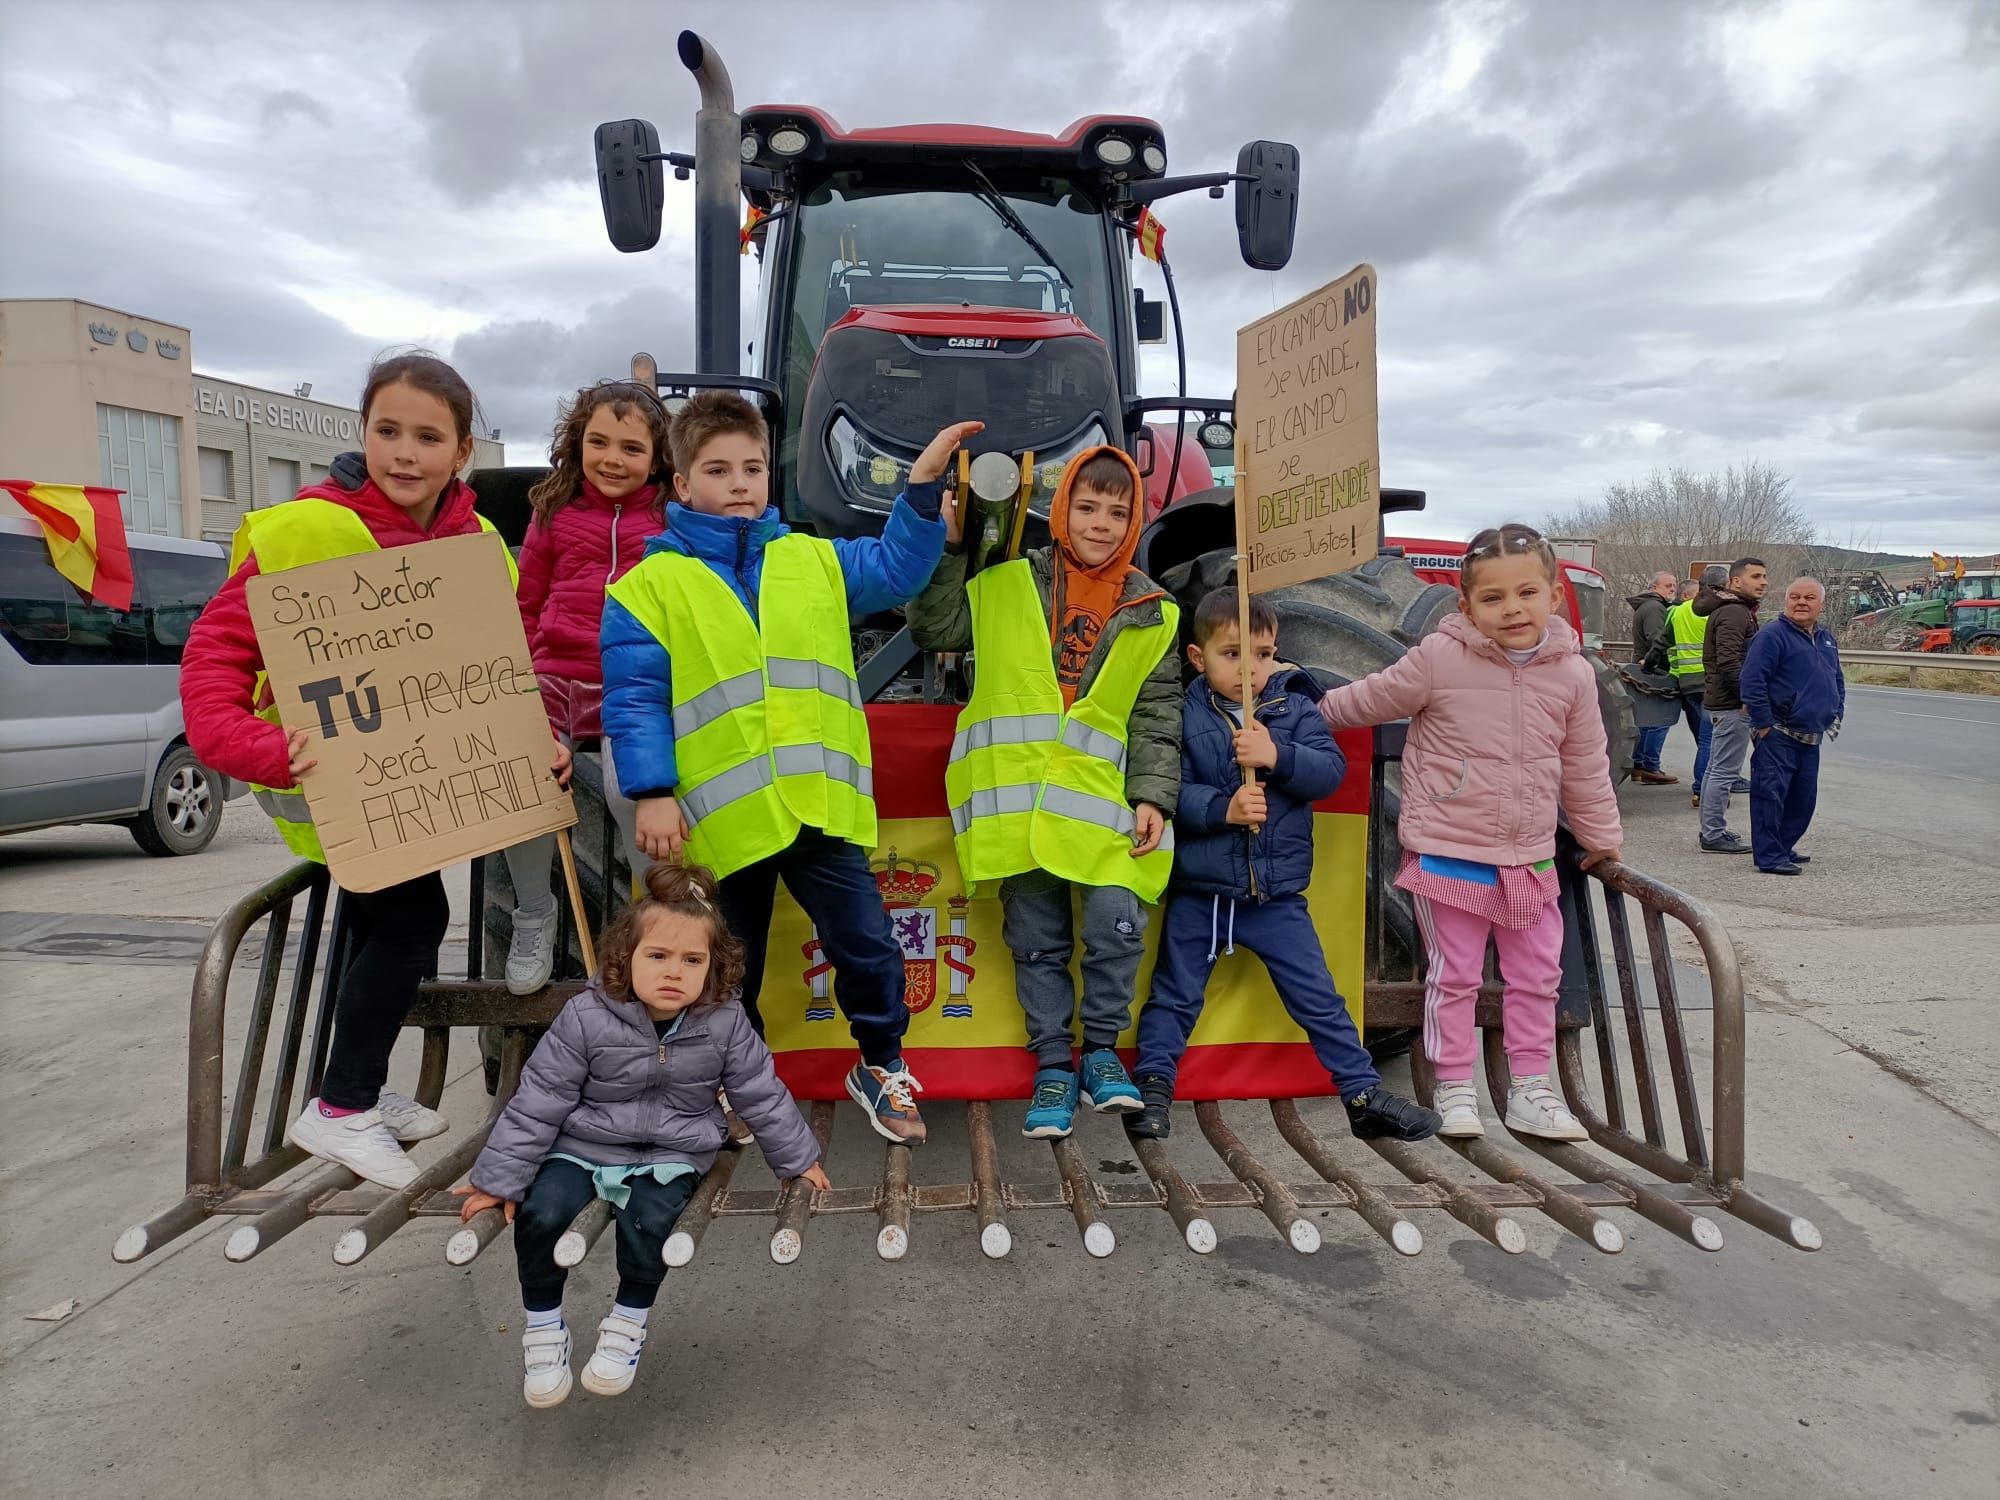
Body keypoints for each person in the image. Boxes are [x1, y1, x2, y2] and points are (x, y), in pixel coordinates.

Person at [180, 352, 569, 1188]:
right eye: (387, 430)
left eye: (428, 437)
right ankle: (344, 1105)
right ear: (363, 431)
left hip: (417, 793)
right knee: (409, 924)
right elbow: (214, 661)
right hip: (336, 789)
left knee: (371, 931)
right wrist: (259, 749)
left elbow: (501, 674)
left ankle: (351, 1086)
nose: (404, 453)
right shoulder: (304, 532)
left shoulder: (476, 548)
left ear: (463, 450)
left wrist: (536, 740)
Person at [601, 391, 978, 1145]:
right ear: (681, 485)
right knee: (720, 967)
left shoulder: (815, 560)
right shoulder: (645, 590)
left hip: (817, 809)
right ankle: (735, 1082)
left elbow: (899, 568)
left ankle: (879, 1065)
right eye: (717, 469)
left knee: (869, 947)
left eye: (752, 467)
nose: (739, 482)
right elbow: (636, 698)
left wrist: (922, 489)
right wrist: (650, 792)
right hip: (721, 819)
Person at [455, 863, 829, 1407]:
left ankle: (628, 1321)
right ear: (623, 959)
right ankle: (542, 1326)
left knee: (651, 1221)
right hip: (583, 1146)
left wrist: (797, 1159)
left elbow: (760, 1093)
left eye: (692, 960)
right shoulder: (587, 1016)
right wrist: (501, 1179)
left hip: (674, 1152)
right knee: (540, 1212)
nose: (674, 972)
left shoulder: (723, 1022)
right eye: (657, 956)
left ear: (714, 967)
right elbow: (539, 1100)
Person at [909, 446, 1181, 1139]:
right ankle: (1055, 1065)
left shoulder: (1157, 613)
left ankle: (1101, 1053)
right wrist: (945, 550)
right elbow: (936, 628)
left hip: (1102, 801)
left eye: (1117, 513)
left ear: (1135, 520)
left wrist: (1154, 795)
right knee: (1036, 942)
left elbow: (1157, 713)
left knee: (1117, 924)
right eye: (1087, 507)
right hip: (1018, 801)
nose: (1101, 523)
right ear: (1060, 510)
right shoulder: (1007, 583)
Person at [1318, 524, 1622, 1139]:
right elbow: (1364, 700)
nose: (1512, 608)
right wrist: (1293, 714)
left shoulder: (1573, 675)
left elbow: (1585, 763)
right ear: (1467, 606)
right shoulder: (1440, 659)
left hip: (1529, 854)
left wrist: (1601, 837)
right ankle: (1455, 1085)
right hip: (1450, 851)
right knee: (1454, 975)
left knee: (1538, 975)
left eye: (1527, 592)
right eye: (1492, 598)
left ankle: (1532, 1089)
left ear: (1553, 598)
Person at [1127, 589, 1439, 1142]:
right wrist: (1222, 809)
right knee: (1174, 996)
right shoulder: (1180, 713)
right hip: (1204, 895)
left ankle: (1361, 1094)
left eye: (1264, 654)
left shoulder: (1294, 708)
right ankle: (1153, 1089)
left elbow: (1329, 773)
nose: (1251, 669)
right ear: (1198, 658)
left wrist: (1276, 757)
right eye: (1232, 655)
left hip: (1277, 899)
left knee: (1318, 997)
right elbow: (1166, 787)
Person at [500, 381, 673, 994]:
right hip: (552, 674)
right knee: (523, 779)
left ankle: (660, 923)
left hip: (628, 681)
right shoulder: (554, 512)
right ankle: (533, 912)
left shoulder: (668, 520)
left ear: (658, 458)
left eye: (631, 448)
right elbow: (525, 604)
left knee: (636, 791)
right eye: (598, 442)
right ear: (577, 443)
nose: (612, 459)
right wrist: (516, 682)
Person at [1740, 578, 1844, 875]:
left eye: (1809, 597)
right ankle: (1770, 856)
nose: (1801, 602)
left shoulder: (1825, 637)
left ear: (1820, 605)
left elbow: (1836, 678)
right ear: (1786, 602)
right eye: (1795, 597)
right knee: (1769, 797)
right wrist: (1764, 726)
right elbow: (1752, 681)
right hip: (1779, 733)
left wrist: (1836, 712)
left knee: (1802, 800)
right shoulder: (1772, 636)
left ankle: (1783, 846)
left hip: (1811, 734)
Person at [1696, 556, 1768, 853]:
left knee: (1717, 768)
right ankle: (1713, 833)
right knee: (1724, 771)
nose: (1762, 582)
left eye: (1764, 576)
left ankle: (1713, 829)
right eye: (1755, 576)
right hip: (1731, 704)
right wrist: (1747, 696)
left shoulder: (1734, 610)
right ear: (1736, 581)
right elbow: (1729, 662)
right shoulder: (1735, 613)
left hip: (1724, 701)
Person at [1646, 575, 1716, 809]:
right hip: (1710, 683)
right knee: (1709, 739)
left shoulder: (1675, 612)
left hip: (1687, 684)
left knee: (1703, 736)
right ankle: (1702, 791)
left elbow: (1660, 643)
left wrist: (1648, 663)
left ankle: (1703, 790)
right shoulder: (1711, 612)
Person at [1626, 571, 1680, 784]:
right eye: (1668, 585)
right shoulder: (1655, 608)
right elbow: (1657, 638)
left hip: (1645, 668)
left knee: (1644, 718)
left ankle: (1638, 764)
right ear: (1654, 588)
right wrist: (1655, 661)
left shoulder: (1647, 607)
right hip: (1654, 670)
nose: (1673, 589)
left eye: (1674, 585)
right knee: (1659, 719)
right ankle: (1650, 766)